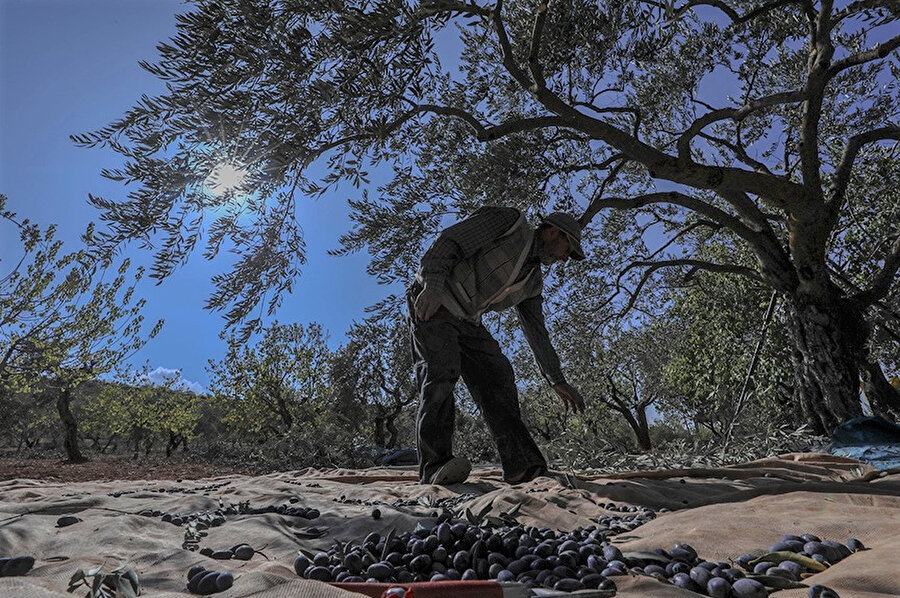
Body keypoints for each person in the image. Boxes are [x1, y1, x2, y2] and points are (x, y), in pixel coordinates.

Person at [407, 206, 587, 485]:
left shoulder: (533, 282)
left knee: (498, 375)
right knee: (441, 373)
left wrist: (556, 378)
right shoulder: (510, 223)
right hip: (435, 299)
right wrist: (431, 283)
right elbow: (450, 240)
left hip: (468, 319)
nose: (565, 258)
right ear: (553, 231)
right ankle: (435, 466)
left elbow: (537, 332)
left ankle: (522, 467)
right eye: (568, 248)